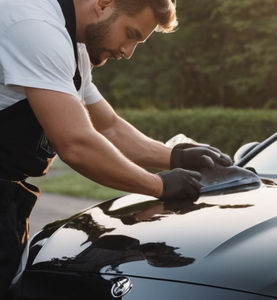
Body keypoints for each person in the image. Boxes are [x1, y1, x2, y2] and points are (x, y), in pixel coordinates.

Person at [0, 0, 233, 294]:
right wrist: (157, 186)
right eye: (131, 34)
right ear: (104, 3)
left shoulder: (74, 47)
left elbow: (108, 126)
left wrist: (175, 156)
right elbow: (76, 143)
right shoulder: (35, 27)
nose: (127, 52)